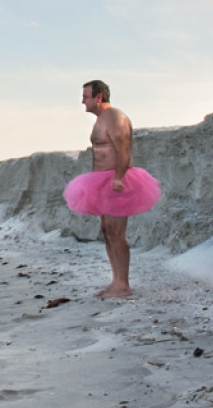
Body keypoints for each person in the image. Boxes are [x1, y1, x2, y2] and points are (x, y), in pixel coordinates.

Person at [62, 79, 162, 298]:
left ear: (99, 97)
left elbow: (124, 150)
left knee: (117, 233)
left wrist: (118, 178)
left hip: (117, 182)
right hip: (101, 181)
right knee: (107, 232)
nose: (83, 101)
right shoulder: (101, 120)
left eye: (86, 97)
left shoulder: (116, 117)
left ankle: (123, 286)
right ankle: (116, 281)